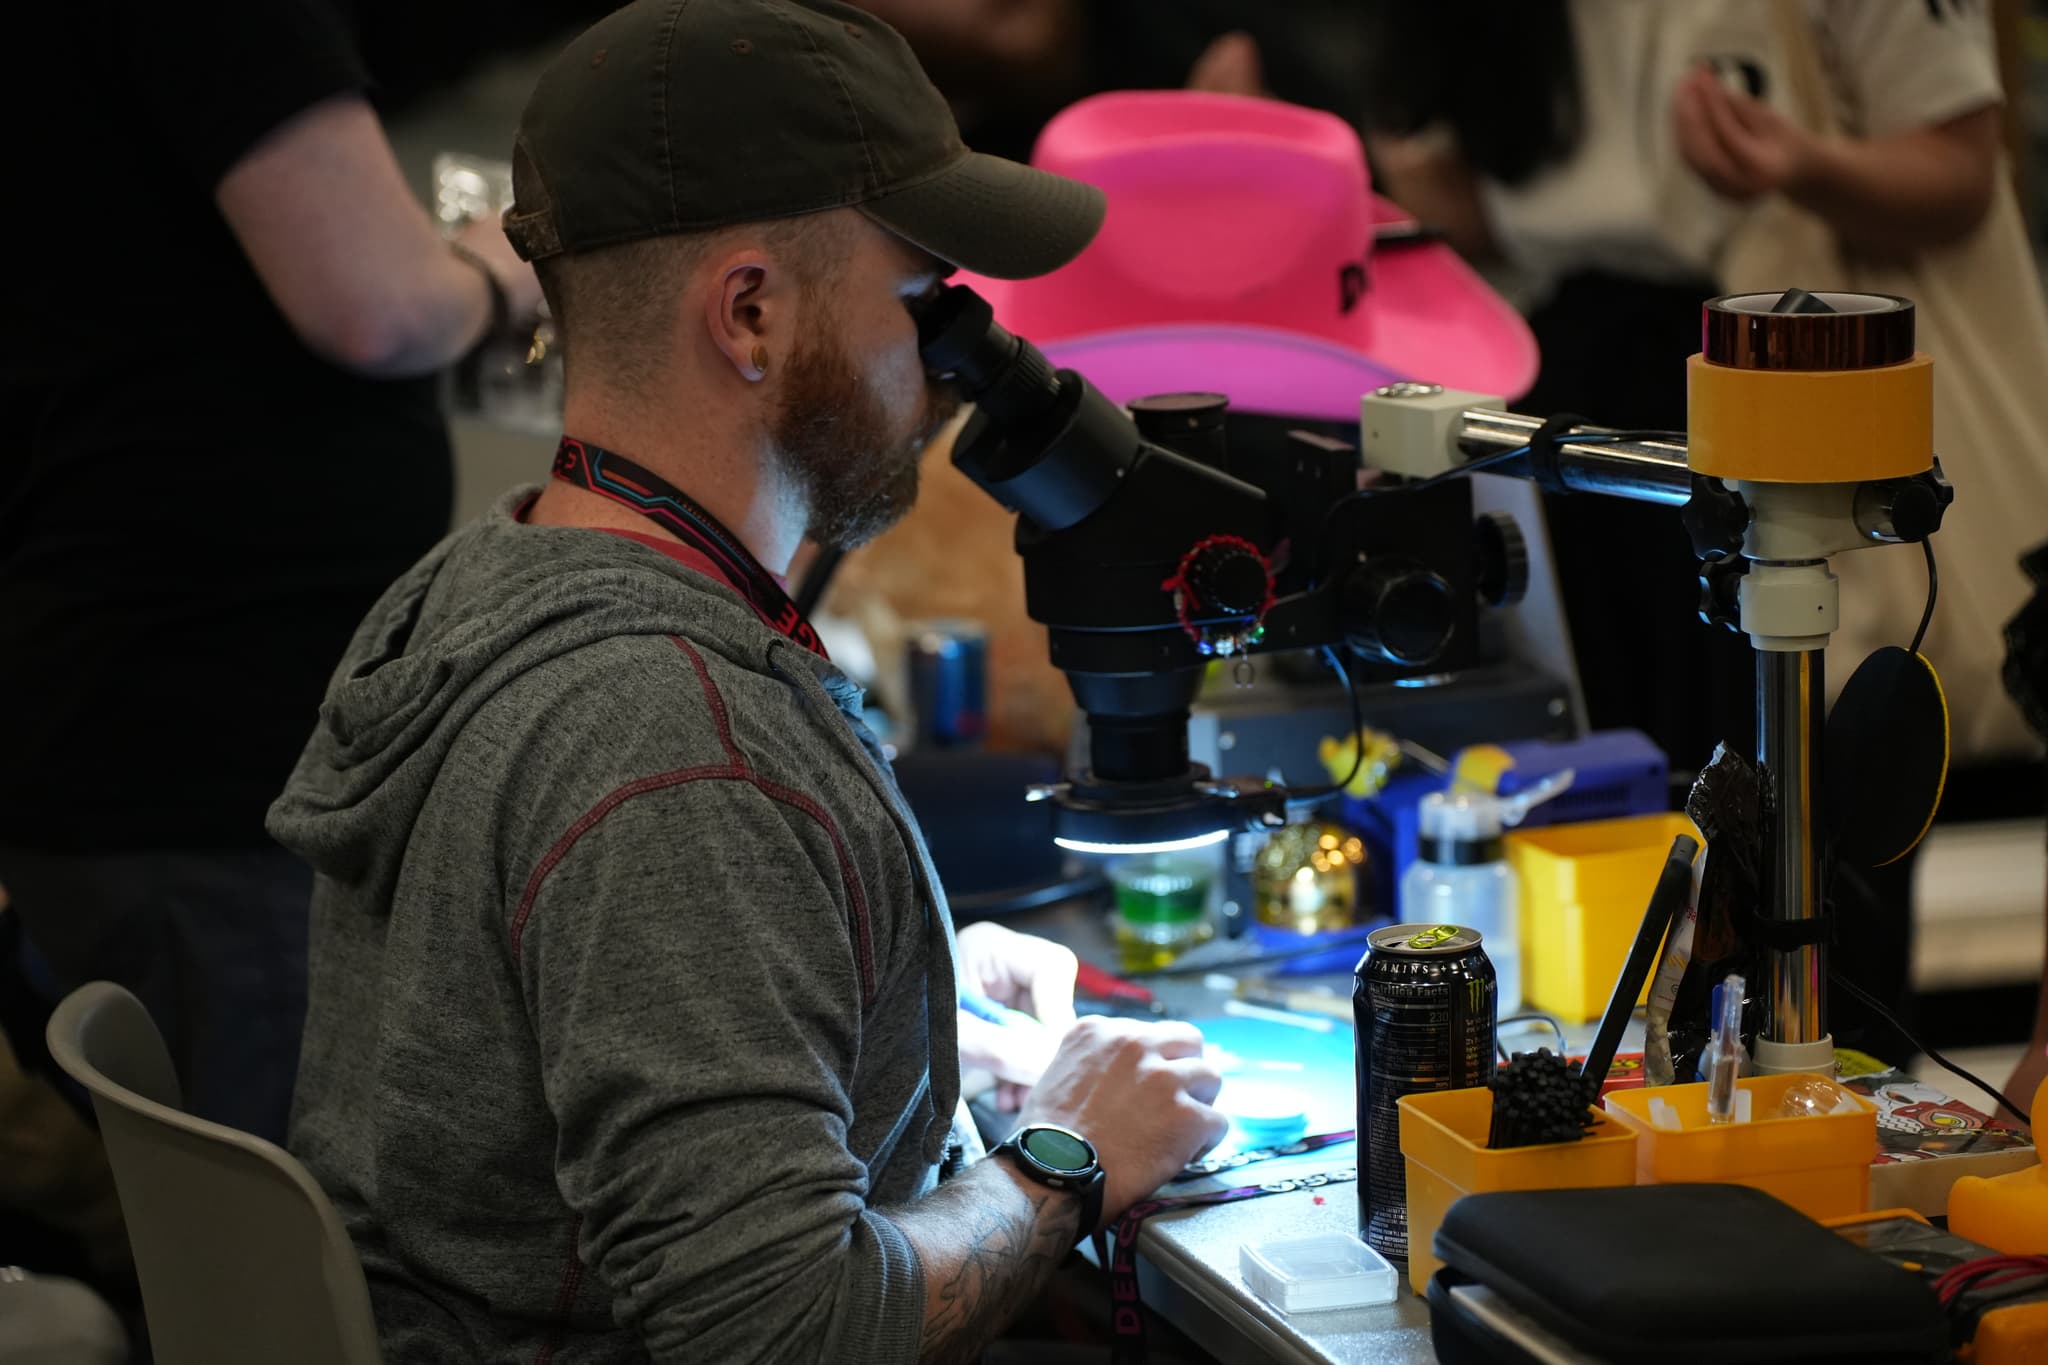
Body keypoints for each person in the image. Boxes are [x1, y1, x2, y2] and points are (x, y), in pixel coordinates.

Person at [268, 3, 1227, 1361]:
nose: (947, 382)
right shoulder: (672, 738)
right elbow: (780, 1330)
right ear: (753, 310)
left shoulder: (485, 584)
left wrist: (888, 1000)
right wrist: (1069, 1155)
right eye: (917, 310)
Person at [2, 2, 541, 1143]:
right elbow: (375, 307)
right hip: (198, 752)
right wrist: (497, 270)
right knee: (278, 1258)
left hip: (138, 718)